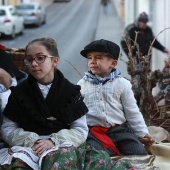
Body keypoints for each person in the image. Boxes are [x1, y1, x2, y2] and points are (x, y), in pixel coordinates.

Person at [0, 37, 133, 170]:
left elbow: (80, 130)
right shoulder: (19, 92)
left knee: (62, 163)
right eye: (29, 59)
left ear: (54, 61)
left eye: (40, 58)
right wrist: (32, 141)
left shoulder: (70, 92)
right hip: (28, 147)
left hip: (61, 147)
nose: (34, 63)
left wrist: (53, 141)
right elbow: (8, 128)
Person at [77, 39, 155, 157]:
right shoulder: (82, 85)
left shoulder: (122, 84)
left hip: (120, 130)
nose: (92, 61)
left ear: (113, 63)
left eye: (98, 57)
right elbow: (78, 112)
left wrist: (142, 133)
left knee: (138, 151)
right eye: (90, 57)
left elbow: (132, 111)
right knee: (99, 155)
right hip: (94, 132)